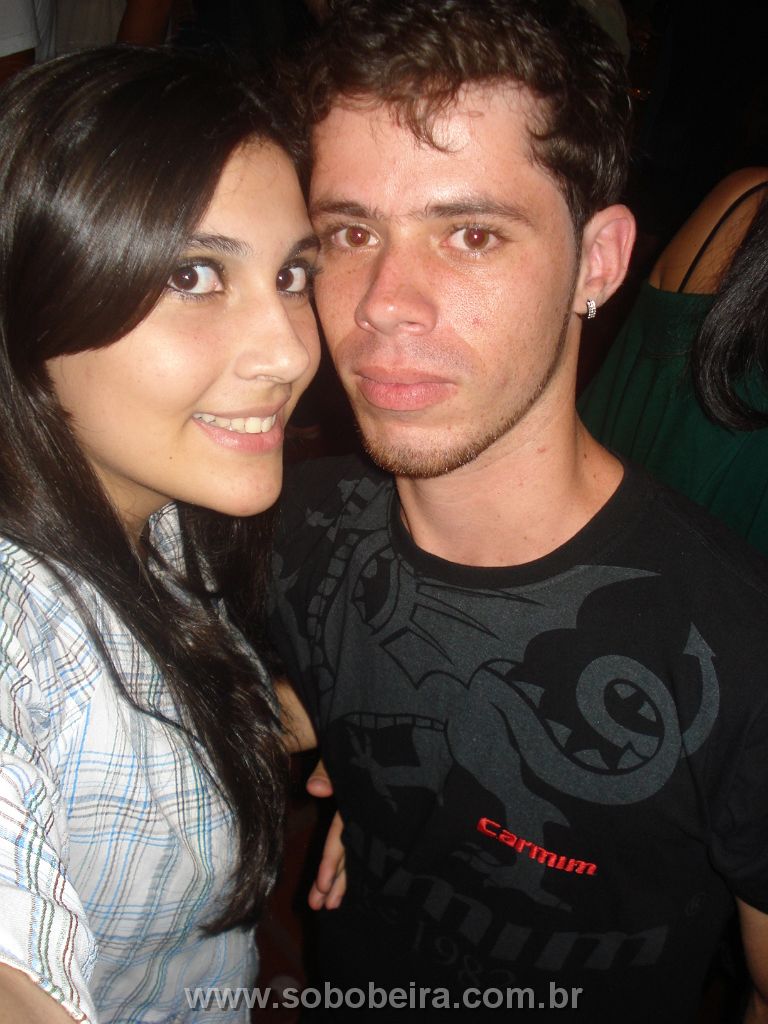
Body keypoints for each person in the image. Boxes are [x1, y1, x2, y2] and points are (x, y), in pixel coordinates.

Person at [268, 0, 768, 1020]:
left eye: (471, 233)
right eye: (352, 232)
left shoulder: (735, 646)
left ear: (598, 261)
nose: (384, 301)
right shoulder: (294, 522)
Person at [0, 46, 320, 1022]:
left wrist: (368, 726)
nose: (289, 351)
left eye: (293, 272)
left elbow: (167, 715)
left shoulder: (154, 510)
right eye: (193, 273)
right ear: (31, 303)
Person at [580, 168, 768, 553]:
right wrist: (589, 309)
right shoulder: (744, 205)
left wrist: (590, 310)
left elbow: (601, 316)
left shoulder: (742, 200)